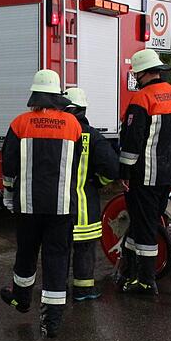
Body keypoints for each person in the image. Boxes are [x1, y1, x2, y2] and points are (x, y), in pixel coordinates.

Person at [0, 69, 84, 337]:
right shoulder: (73, 125)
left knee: (26, 252)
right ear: (57, 97)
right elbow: (77, 162)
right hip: (61, 206)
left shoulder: (19, 124)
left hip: (28, 206)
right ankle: (52, 321)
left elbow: (8, 163)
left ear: (35, 97)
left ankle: (22, 299)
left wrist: (8, 193)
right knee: (57, 259)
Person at [117, 48, 171, 295]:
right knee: (143, 223)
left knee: (145, 228)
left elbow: (132, 142)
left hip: (143, 176)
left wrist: (124, 172)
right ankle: (131, 270)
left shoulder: (141, 99)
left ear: (143, 73)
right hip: (167, 174)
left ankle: (145, 281)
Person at [63, 87, 119, 301]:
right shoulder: (93, 136)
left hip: (58, 205)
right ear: (82, 109)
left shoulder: (57, 132)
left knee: (59, 249)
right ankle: (83, 289)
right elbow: (113, 168)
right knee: (85, 250)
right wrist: (98, 182)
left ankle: (57, 289)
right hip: (85, 207)